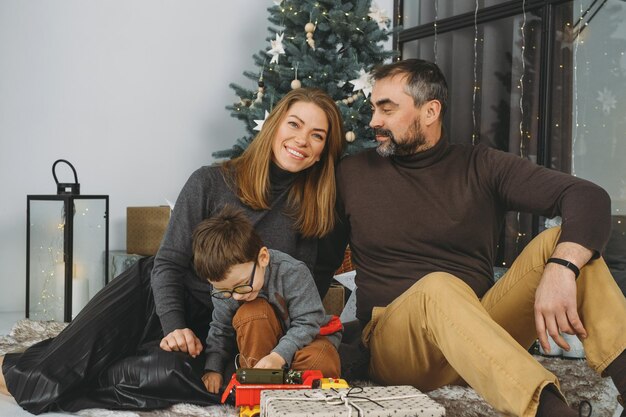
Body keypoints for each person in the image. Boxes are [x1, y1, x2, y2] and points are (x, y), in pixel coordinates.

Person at [0, 87, 345, 414]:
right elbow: (168, 262)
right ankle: (32, 373)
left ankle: (81, 379)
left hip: (223, 324)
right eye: (295, 125)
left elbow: (303, 298)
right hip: (158, 297)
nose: (302, 140)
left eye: (317, 135)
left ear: (322, 151)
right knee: (59, 369)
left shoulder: (316, 213)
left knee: (171, 378)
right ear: (274, 126)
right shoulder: (210, 182)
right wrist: (174, 326)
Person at [316, 59, 626, 417]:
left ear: (430, 110)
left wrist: (562, 267)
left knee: (563, 243)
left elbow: (587, 196)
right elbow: (321, 263)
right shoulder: (352, 174)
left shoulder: (481, 165)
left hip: (480, 334)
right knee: (438, 287)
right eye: (374, 108)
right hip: (397, 345)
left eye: (387, 109)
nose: (374, 121)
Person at [191, 206, 341, 394]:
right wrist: (213, 368)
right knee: (251, 311)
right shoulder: (225, 289)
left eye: (242, 284)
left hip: (308, 340)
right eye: (225, 291)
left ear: (262, 258)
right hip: (262, 346)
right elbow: (220, 328)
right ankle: (259, 383)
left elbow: (308, 322)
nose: (237, 296)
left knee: (321, 361)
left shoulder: (292, 272)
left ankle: (293, 393)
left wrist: (279, 356)